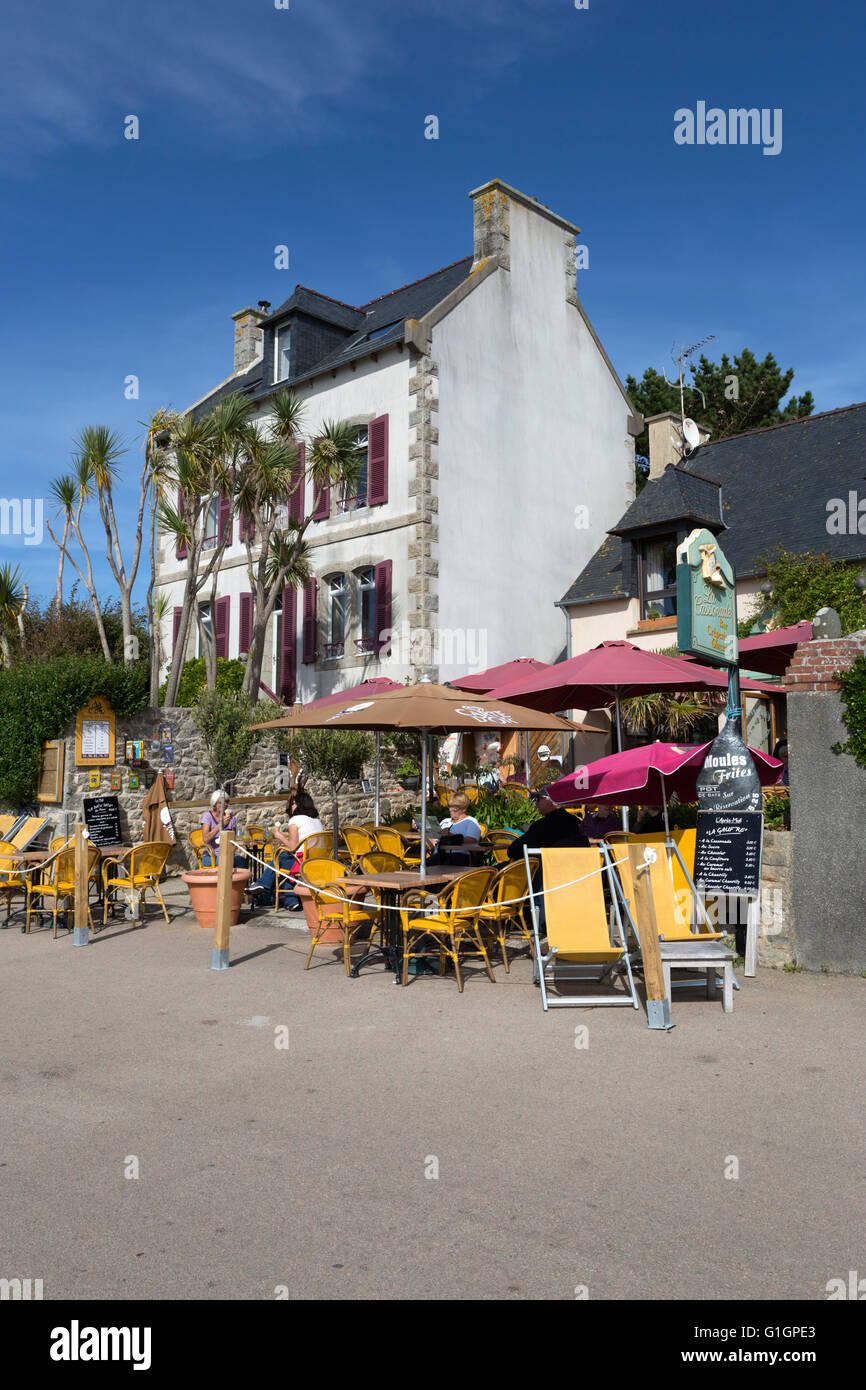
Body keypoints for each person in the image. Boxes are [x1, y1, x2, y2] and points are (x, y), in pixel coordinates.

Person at [247, 790, 324, 910]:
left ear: (299, 805)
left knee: (281, 857)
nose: (291, 807)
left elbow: (292, 847)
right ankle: (292, 901)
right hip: (316, 861)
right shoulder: (317, 821)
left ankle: (263, 884)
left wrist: (279, 836)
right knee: (286, 861)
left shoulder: (295, 819)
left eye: (293, 804)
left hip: (301, 862)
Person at [506, 790, 591, 859]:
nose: (536, 803)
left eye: (538, 799)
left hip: (541, 873)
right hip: (569, 871)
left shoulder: (543, 825)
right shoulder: (573, 821)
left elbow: (513, 850)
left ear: (551, 800)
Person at [426, 791, 483, 866]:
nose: (450, 810)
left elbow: (472, 840)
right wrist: (423, 830)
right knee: (420, 868)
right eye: (449, 806)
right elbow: (432, 845)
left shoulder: (470, 822)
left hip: (458, 856)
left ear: (464, 808)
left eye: (455, 808)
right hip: (438, 855)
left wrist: (451, 835)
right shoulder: (445, 821)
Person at [200, 792, 237, 867]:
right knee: (226, 862)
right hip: (211, 856)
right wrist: (221, 824)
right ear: (214, 803)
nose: (225, 804)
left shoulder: (231, 818)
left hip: (228, 854)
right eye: (222, 802)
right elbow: (205, 839)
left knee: (242, 861)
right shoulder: (207, 816)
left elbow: (233, 840)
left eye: (227, 802)